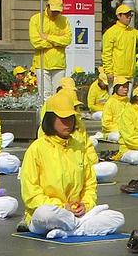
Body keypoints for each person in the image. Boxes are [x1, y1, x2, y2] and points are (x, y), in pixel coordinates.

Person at [21, 94, 125, 238]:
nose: (68, 123)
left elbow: (90, 183)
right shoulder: (36, 149)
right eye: (63, 119)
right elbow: (31, 195)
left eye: (71, 118)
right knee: (44, 213)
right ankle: (80, 226)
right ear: (50, 120)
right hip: (50, 214)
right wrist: (63, 207)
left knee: (117, 218)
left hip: (78, 212)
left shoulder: (78, 147)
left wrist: (85, 205)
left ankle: (70, 231)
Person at [29, 0, 71, 100]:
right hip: (42, 63)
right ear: (47, 7)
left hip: (59, 63)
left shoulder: (64, 20)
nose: (56, 13)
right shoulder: (36, 19)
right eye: (54, 11)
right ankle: (45, 116)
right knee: (45, 96)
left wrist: (48, 37)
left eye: (58, 11)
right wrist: (57, 42)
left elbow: (67, 40)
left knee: (58, 95)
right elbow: (36, 42)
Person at [100, 4, 138, 82]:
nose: (129, 17)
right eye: (126, 15)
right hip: (116, 75)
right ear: (119, 16)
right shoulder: (110, 33)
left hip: (130, 74)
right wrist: (109, 72)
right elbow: (106, 54)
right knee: (115, 95)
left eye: (130, 15)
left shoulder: (132, 31)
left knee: (128, 94)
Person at [97, 76, 129, 143]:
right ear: (116, 88)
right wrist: (120, 129)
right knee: (118, 137)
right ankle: (103, 136)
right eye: (123, 87)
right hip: (113, 132)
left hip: (127, 131)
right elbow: (106, 124)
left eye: (127, 86)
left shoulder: (128, 102)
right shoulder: (110, 102)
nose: (126, 89)